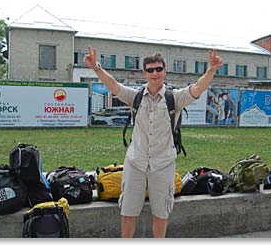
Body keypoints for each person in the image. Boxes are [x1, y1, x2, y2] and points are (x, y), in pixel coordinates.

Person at [83, 47, 223, 238]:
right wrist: (96, 68)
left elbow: (197, 88)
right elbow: (114, 85)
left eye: (158, 69)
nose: (154, 73)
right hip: (135, 162)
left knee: (161, 213)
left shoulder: (174, 98)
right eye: (150, 70)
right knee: (128, 211)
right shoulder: (136, 97)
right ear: (144, 73)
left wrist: (211, 69)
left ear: (164, 71)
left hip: (163, 164)